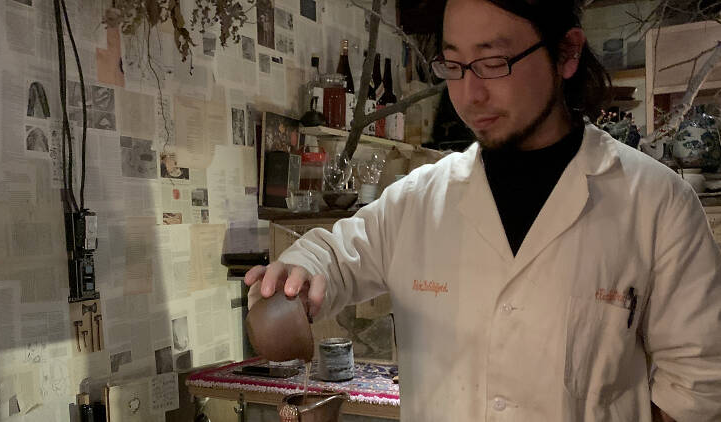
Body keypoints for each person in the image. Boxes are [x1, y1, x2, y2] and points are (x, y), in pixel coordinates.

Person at [245, 0, 721, 420]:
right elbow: (334, 255)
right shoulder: (417, 200)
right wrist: (299, 272)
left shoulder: (658, 203)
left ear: (567, 53)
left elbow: (697, 385)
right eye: (453, 65)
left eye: (493, 63)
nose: (469, 95)